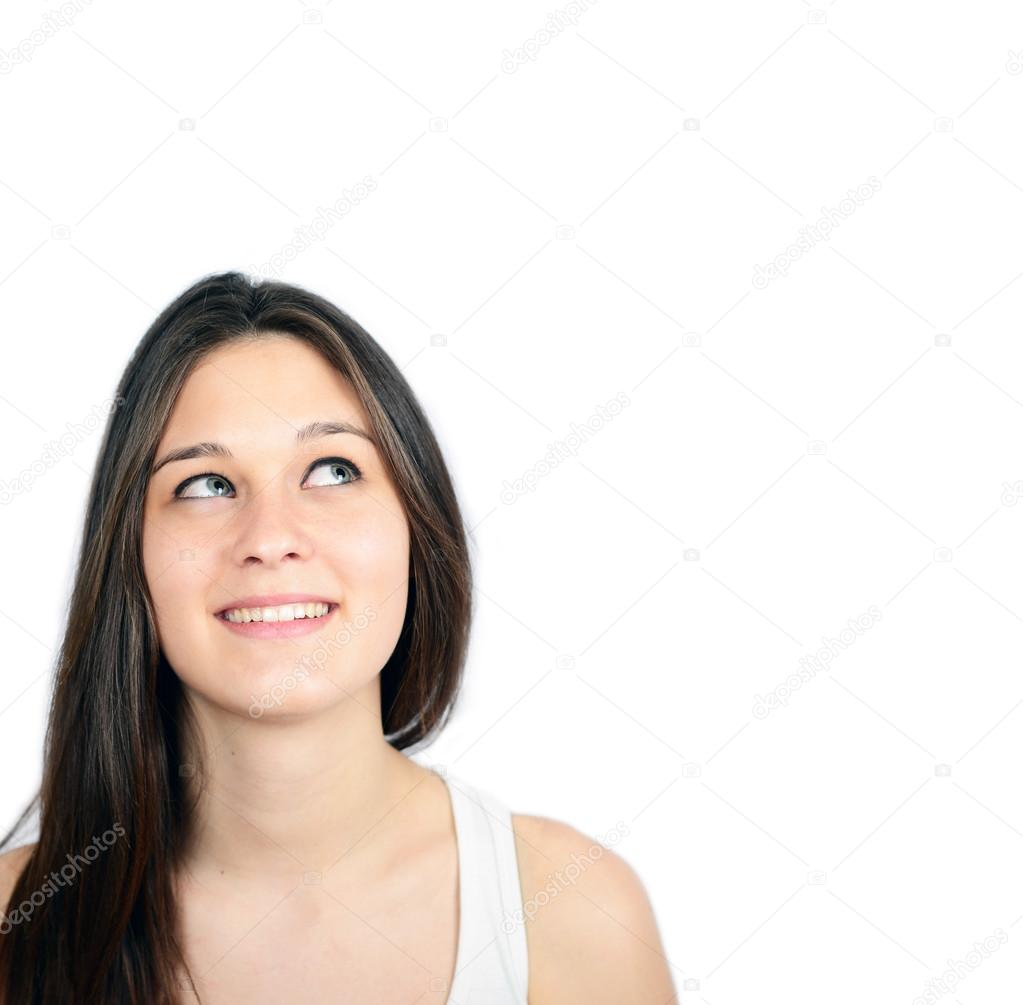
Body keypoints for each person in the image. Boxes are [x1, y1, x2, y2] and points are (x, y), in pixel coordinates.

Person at [0, 271, 676, 1003]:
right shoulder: (18, 925)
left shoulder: (573, 911)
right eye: (206, 484)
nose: (270, 538)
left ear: (418, 526)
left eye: (331, 469)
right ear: (129, 551)